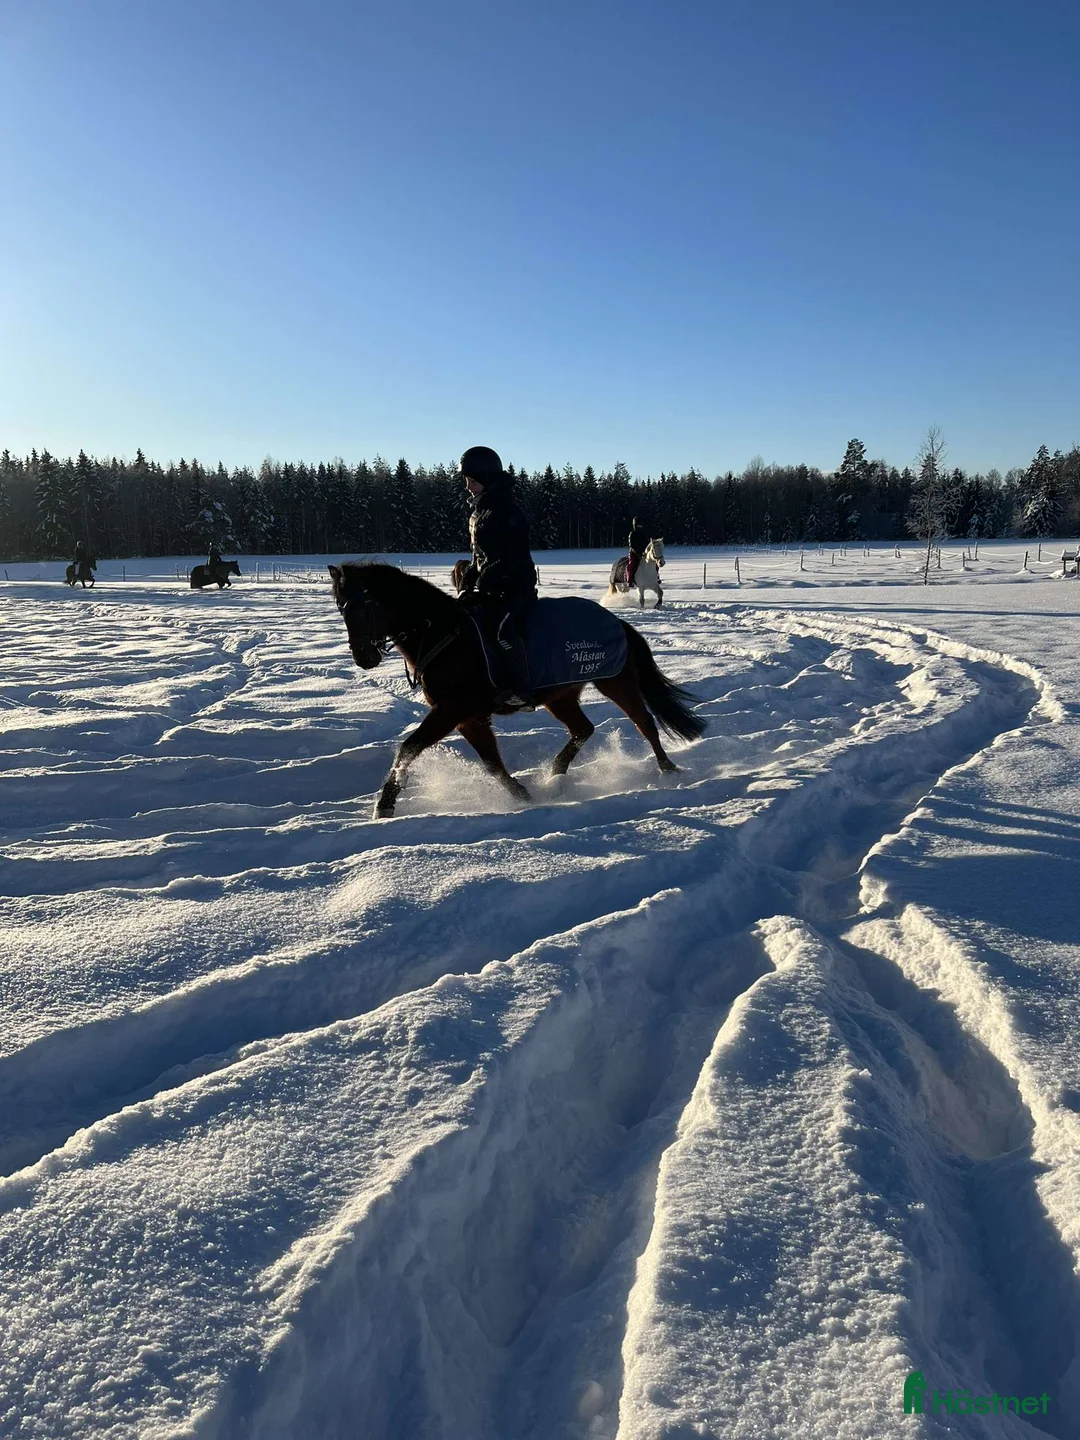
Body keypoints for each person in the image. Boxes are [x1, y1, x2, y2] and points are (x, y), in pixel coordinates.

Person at [457, 445, 537, 710]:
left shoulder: (508, 514)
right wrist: (468, 579)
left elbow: (509, 559)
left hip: (515, 588)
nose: (468, 487)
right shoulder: (478, 514)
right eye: (466, 481)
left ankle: (521, 690)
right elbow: (479, 557)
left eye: (473, 481)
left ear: (488, 479)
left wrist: (482, 585)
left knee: (501, 627)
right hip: (490, 589)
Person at [627, 516, 650, 587]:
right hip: (634, 553)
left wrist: (647, 551)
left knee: (653, 562)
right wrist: (638, 553)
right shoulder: (632, 534)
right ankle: (629, 580)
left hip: (644, 553)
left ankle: (656, 576)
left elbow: (647, 543)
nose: (640, 526)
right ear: (635, 525)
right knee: (631, 564)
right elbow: (632, 545)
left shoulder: (644, 534)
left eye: (640, 525)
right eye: (638, 525)